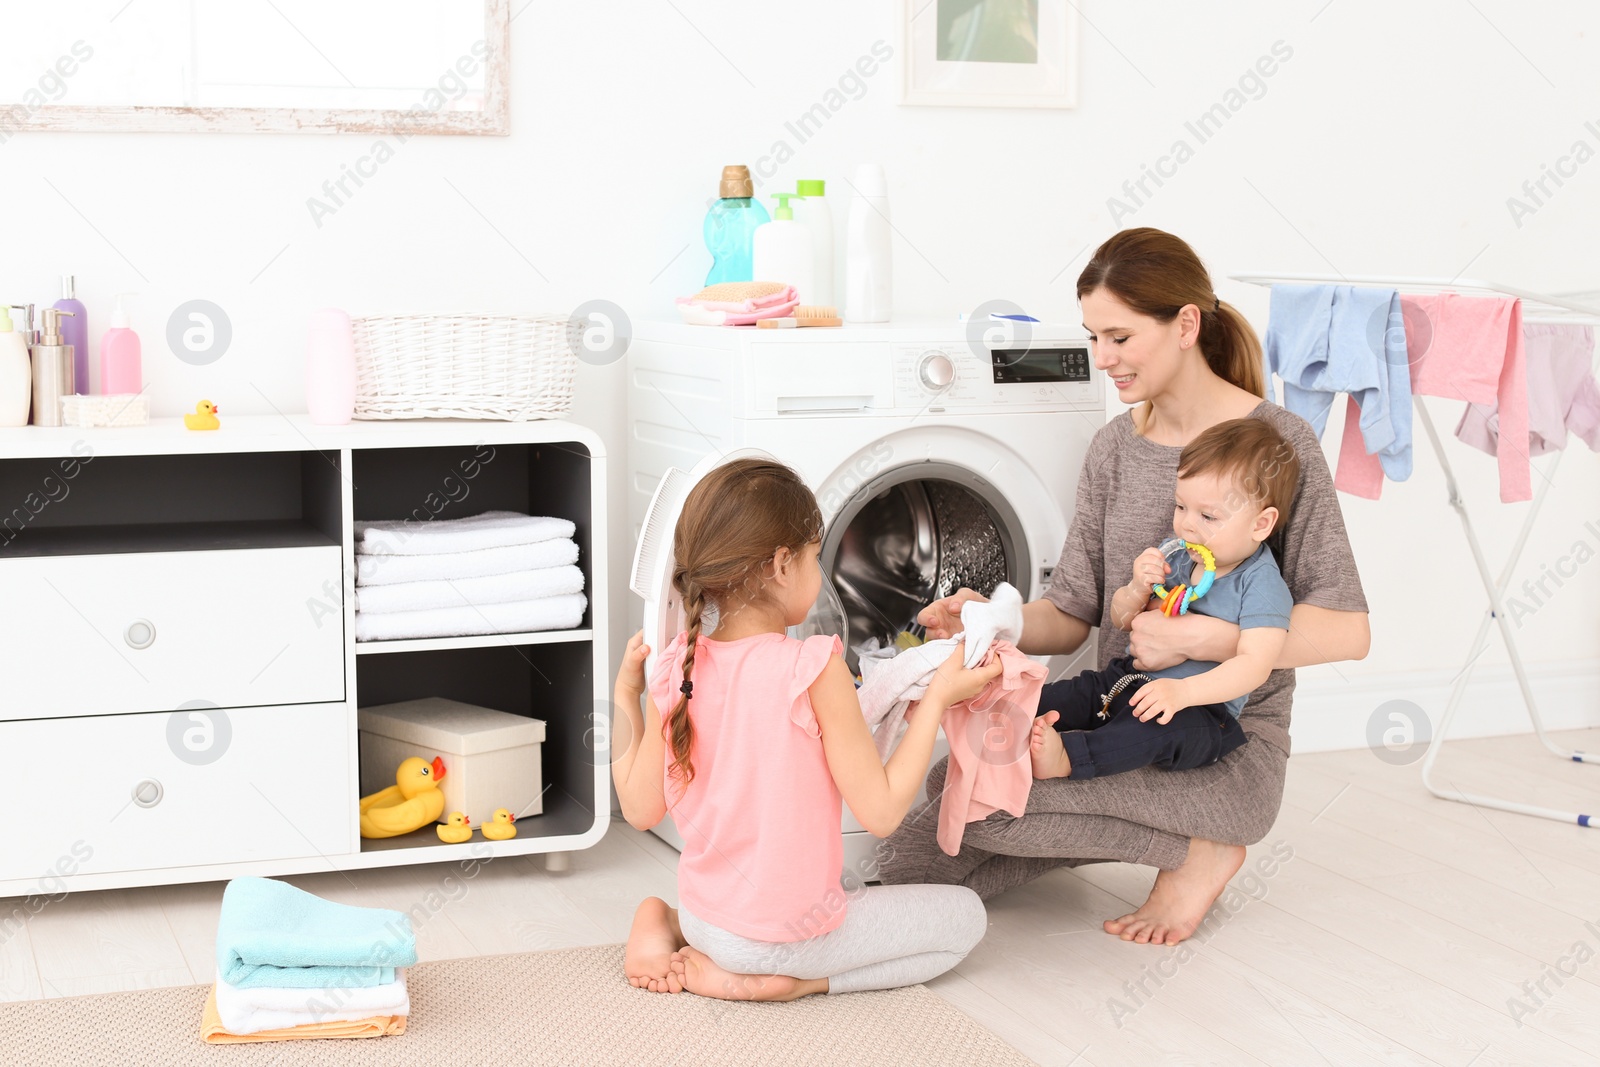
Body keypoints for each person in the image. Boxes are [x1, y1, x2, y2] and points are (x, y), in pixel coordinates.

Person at [881, 227, 1370, 946]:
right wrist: (994, 619)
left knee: (986, 806)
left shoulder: (1276, 443)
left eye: (1118, 337)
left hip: (1219, 744)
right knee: (936, 813)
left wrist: (1208, 636)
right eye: (1092, 337)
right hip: (1116, 719)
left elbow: (1349, 631)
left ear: (1186, 325)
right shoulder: (1115, 448)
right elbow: (1073, 613)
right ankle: (1123, 832)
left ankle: (1203, 847)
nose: (1101, 358)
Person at [611, 458, 997, 1000]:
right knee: (966, 921)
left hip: (706, 918)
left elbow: (638, 810)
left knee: (744, 915)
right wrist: (935, 697)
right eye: (816, 558)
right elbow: (882, 814)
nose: (819, 576)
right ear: (781, 564)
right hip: (786, 945)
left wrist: (626, 695)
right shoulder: (814, 667)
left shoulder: (679, 663)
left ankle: (669, 922)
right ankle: (795, 985)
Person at [1029, 416, 1298, 782]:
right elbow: (1122, 620)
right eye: (1180, 506)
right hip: (1129, 677)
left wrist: (1183, 693)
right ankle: (1009, 707)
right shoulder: (1174, 556)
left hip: (1200, 711)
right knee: (1076, 692)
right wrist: (1136, 588)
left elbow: (1255, 664)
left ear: (1261, 524)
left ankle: (1072, 758)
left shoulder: (1260, 583)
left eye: (1207, 515)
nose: (1186, 525)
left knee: (1153, 730)